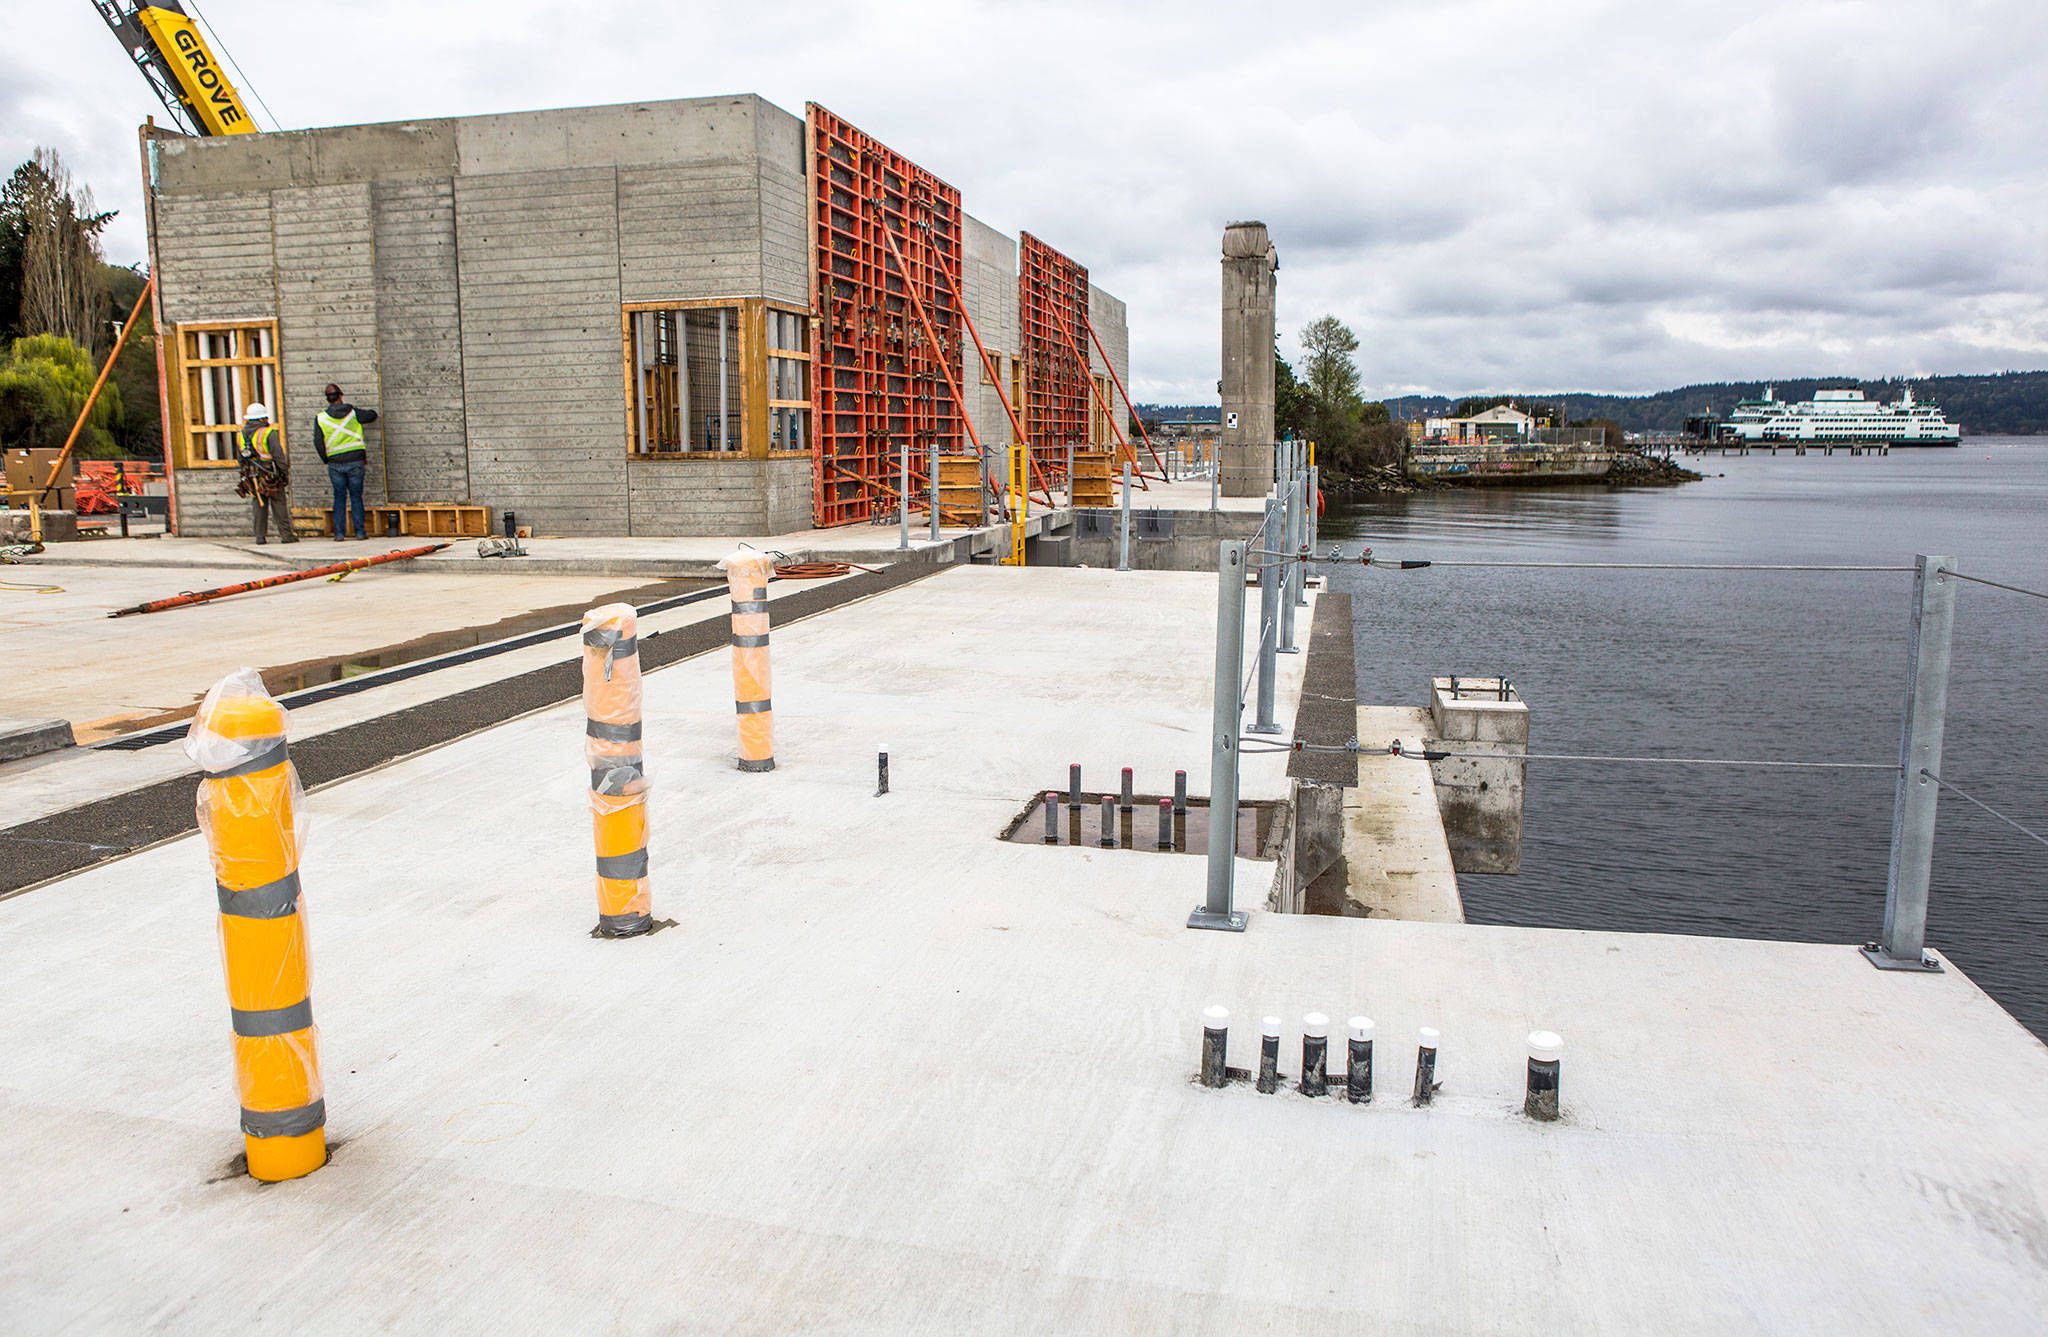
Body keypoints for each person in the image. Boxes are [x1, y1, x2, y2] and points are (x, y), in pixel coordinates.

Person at [313, 383, 379, 540]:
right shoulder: (353, 413)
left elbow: (318, 442)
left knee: (339, 498)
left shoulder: (321, 418)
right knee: (356, 497)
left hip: (335, 464)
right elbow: (372, 415)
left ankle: (340, 534)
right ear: (340, 396)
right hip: (355, 461)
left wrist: (326, 459)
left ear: (328, 399)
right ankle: (360, 532)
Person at [235, 402, 295, 544]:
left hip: (251, 475)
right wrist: (284, 472)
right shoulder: (268, 432)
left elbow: (240, 458)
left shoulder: (241, 435)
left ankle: (260, 537)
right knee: (278, 502)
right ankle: (286, 536)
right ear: (262, 418)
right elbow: (278, 455)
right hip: (270, 475)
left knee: (259, 504)